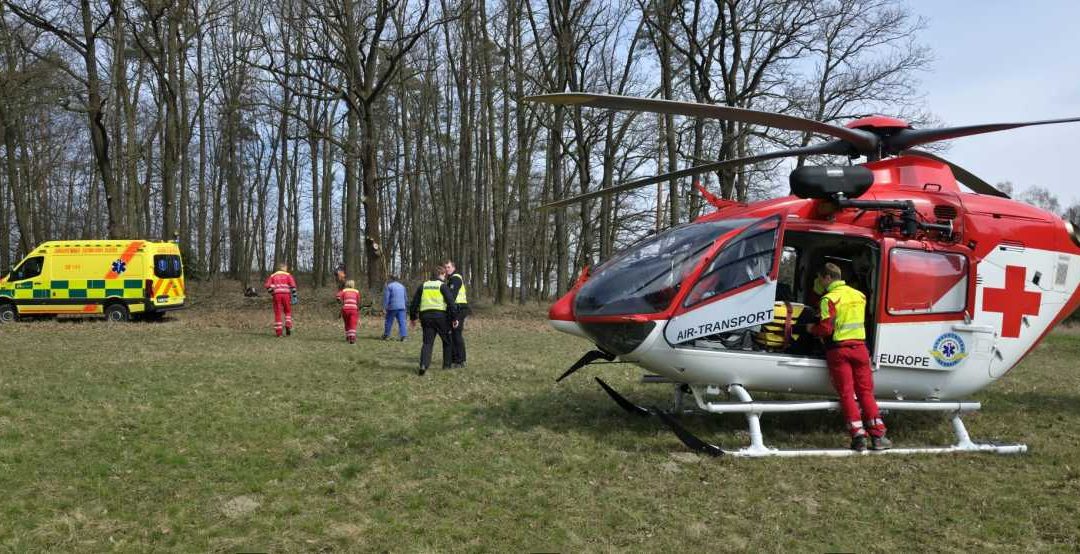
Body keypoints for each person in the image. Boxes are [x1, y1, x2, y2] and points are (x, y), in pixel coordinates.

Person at [807, 262, 892, 451]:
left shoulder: (829, 299)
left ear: (827, 277)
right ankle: (878, 436)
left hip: (839, 351)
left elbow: (826, 329)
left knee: (847, 393)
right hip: (860, 349)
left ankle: (858, 437)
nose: (819, 282)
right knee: (866, 393)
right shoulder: (859, 295)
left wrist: (811, 329)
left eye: (821, 278)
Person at [409, 268, 458, 376]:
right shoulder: (442, 286)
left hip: (425, 317)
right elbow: (451, 303)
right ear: (440, 274)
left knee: (427, 343)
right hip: (441, 317)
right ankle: (446, 365)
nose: (445, 277)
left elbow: (414, 304)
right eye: (444, 275)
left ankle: (423, 365)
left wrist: (413, 318)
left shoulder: (423, 286)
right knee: (447, 341)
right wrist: (454, 318)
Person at [442, 259, 469, 368]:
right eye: (445, 267)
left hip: (459, 308)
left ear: (453, 268)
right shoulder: (451, 279)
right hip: (456, 308)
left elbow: (452, 296)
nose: (447, 269)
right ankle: (455, 359)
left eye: (449, 267)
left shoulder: (455, 279)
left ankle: (460, 360)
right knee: (453, 334)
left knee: (456, 334)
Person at [264, 263, 297, 337]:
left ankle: (279, 333)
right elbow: (293, 286)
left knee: (278, 313)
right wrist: (294, 296)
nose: (286, 268)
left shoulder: (273, 276)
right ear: (283, 268)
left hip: (277, 295)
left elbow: (267, 286)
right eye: (286, 267)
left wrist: (272, 293)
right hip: (286, 295)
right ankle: (288, 325)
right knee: (288, 311)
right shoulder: (288, 275)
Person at [382, 275, 408, 341]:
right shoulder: (402, 286)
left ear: (391, 279)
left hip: (392, 307)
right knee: (402, 322)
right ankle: (404, 336)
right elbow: (405, 297)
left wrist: (385, 307)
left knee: (389, 321)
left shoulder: (389, 286)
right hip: (402, 307)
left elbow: (386, 298)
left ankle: (387, 335)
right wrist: (405, 305)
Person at [337, 279, 361, 344]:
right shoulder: (356, 291)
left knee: (347, 323)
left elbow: (338, 296)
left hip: (345, 309)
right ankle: (352, 338)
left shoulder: (344, 290)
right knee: (352, 323)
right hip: (353, 309)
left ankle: (348, 336)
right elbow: (358, 301)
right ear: (353, 285)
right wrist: (358, 308)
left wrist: (339, 299)